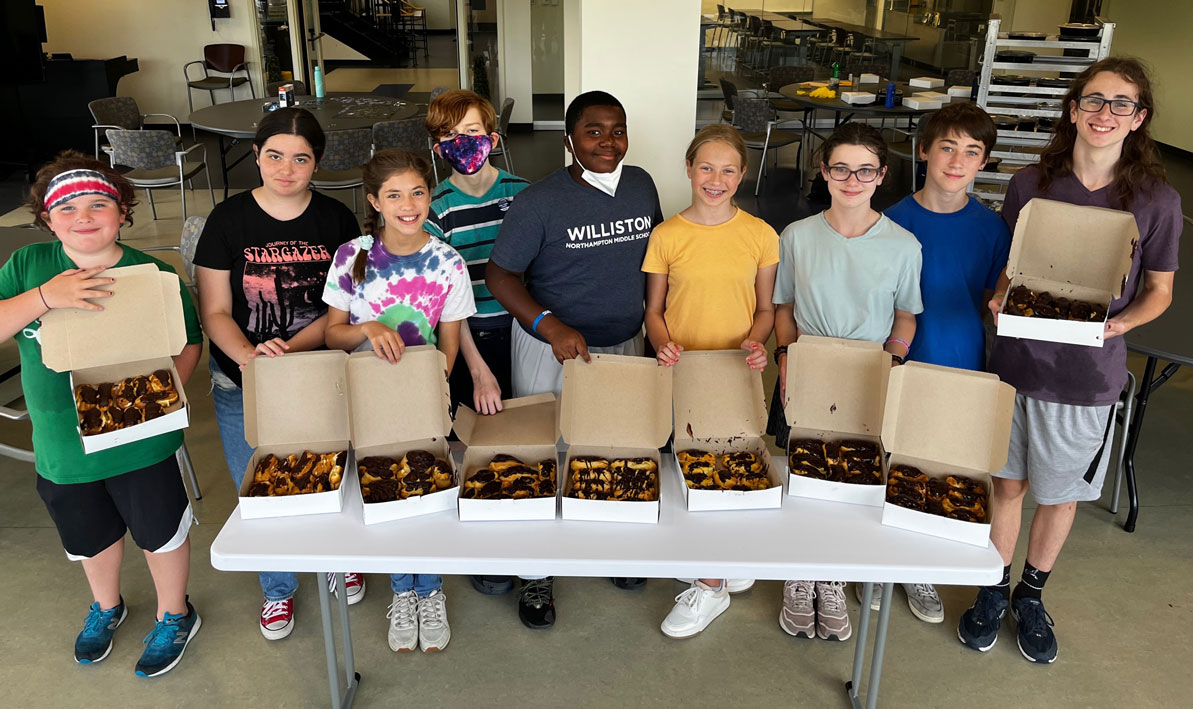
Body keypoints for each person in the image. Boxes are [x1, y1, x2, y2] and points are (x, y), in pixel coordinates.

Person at [958, 57, 1181, 665]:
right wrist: (999, 298)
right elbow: (1013, 267)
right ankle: (992, 588)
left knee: (1058, 495)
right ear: (1074, 109)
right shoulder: (1031, 182)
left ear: (1139, 119)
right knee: (1006, 485)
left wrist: (1121, 325)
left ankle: (1031, 595)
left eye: (1121, 105)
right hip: (1018, 362)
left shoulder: (1156, 200)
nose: (1104, 114)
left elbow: (1159, 288)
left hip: (1087, 375)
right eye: (1093, 100)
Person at [0, 152, 203, 676]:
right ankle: (107, 606)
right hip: (62, 443)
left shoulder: (152, 272)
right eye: (66, 208)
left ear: (122, 211)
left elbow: (187, 342)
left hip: (140, 438)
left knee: (160, 530)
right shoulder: (28, 267)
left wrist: (162, 392)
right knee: (90, 533)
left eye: (97, 204)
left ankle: (175, 613)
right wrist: (47, 296)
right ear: (46, 219)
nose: (83, 217)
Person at [486, 90, 664, 630]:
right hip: (552, 350)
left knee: (616, 453)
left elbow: (656, 261)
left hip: (624, 346)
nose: (608, 142)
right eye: (593, 131)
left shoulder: (641, 186)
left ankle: (613, 548)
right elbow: (499, 276)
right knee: (545, 458)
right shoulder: (538, 202)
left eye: (618, 130)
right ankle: (536, 571)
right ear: (569, 140)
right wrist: (549, 325)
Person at [193, 107, 362, 641]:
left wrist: (287, 348)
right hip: (243, 378)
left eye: (300, 158)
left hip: (320, 372)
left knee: (332, 475)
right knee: (260, 489)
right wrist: (250, 358)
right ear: (256, 155)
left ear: (317, 163)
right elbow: (214, 310)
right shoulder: (227, 220)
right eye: (273, 156)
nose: (285, 169)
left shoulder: (339, 220)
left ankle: (341, 559)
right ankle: (278, 589)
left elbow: (349, 308)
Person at [769, 123, 923, 643]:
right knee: (802, 474)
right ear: (824, 171)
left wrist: (891, 366)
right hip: (808, 365)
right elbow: (784, 308)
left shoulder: (903, 246)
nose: (851, 180)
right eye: (840, 168)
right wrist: (786, 357)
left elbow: (905, 318)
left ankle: (831, 577)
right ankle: (799, 574)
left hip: (867, 372)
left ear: (881, 176)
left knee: (849, 478)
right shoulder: (796, 236)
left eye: (864, 170)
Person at [323, 148, 476, 653]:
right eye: (394, 195)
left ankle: (430, 591)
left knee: (429, 492)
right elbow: (333, 335)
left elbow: (449, 338)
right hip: (369, 400)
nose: (408, 204)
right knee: (385, 490)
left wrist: (438, 386)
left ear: (431, 196)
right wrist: (367, 326)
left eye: (418, 192)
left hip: (425, 397)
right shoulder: (353, 256)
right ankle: (401, 591)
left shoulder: (447, 260)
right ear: (375, 201)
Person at [875, 103, 1011, 623]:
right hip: (901, 358)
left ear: (984, 163)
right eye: (947, 147)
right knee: (891, 459)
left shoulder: (992, 230)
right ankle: (879, 566)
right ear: (925, 150)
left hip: (962, 363)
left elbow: (991, 300)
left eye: (972, 152)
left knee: (940, 467)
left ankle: (919, 569)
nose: (957, 161)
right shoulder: (890, 221)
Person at [642, 124, 778, 638]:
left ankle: (713, 579)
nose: (715, 179)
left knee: (735, 464)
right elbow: (654, 312)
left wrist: (757, 341)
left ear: (742, 175)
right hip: (684, 371)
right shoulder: (668, 235)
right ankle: (712, 568)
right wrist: (662, 342)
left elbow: (764, 309)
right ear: (688, 169)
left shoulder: (761, 234)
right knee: (691, 465)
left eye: (727, 170)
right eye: (706, 167)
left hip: (738, 371)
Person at [423, 90, 531, 598]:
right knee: (476, 442)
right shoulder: (436, 208)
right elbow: (447, 302)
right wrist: (478, 366)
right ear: (438, 147)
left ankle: (529, 550)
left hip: (526, 334)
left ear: (492, 136)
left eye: (470, 132)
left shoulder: (524, 193)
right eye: (448, 137)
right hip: (472, 339)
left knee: (526, 437)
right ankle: (488, 544)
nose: (461, 144)